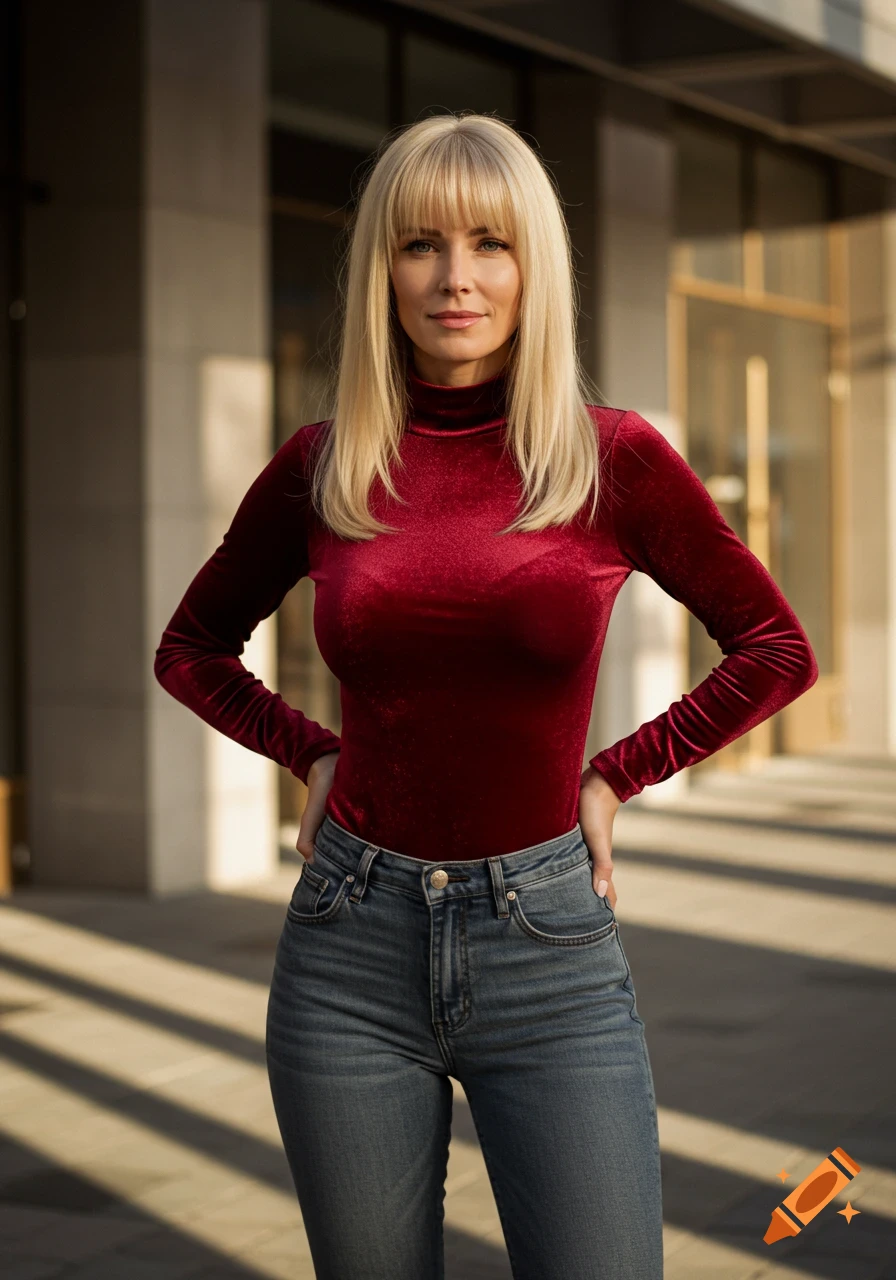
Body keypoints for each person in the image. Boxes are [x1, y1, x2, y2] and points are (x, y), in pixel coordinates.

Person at [154, 112, 818, 1280]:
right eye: (418, 245)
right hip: (346, 949)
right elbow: (192, 648)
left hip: (546, 948)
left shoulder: (608, 457)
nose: (454, 277)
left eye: (488, 244)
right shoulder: (320, 462)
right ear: (382, 271)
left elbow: (771, 646)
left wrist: (619, 770)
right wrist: (310, 752)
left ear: (533, 265)